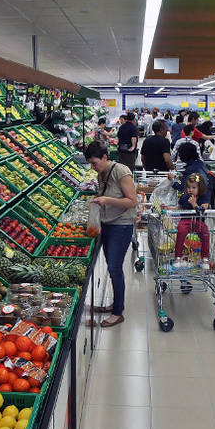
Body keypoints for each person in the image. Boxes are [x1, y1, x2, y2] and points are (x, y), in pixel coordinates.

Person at [85, 141, 137, 328]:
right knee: (112, 266)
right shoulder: (102, 173)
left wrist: (106, 199)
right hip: (107, 224)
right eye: (90, 164)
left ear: (105, 157)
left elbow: (132, 201)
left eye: (94, 163)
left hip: (121, 225)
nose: (92, 167)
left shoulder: (121, 171)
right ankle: (116, 304)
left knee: (115, 268)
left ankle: (117, 313)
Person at [174, 173, 211, 269]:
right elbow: (178, 208)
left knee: (205, 232)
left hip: (199, 221)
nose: (190, 190)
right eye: (189, 187)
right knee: (180, 231)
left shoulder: (204, 197)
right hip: (185, 220)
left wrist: (194, 204)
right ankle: (178, 257)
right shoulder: (184, 197)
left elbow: (202, 210)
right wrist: (167, 208)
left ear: (200, 188)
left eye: (194, 187)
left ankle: (205, 258)